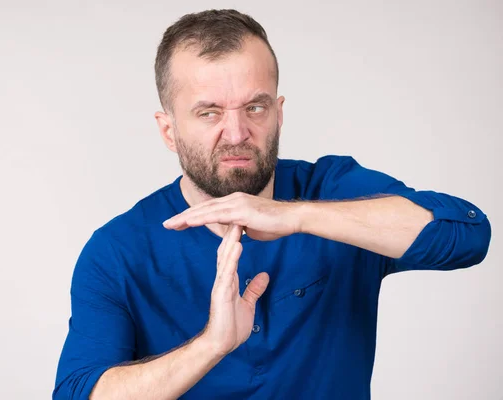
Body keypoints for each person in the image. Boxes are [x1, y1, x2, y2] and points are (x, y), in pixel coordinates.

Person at [52, 9, 491, 400]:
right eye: (209, 113)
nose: (238, 132)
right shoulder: (117, 252)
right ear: (169, 131)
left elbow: (467, 234)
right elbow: (78, 393)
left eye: (255, 107)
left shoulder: (333, 189)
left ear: (278, 112)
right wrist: (211, 345)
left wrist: (296, 215)